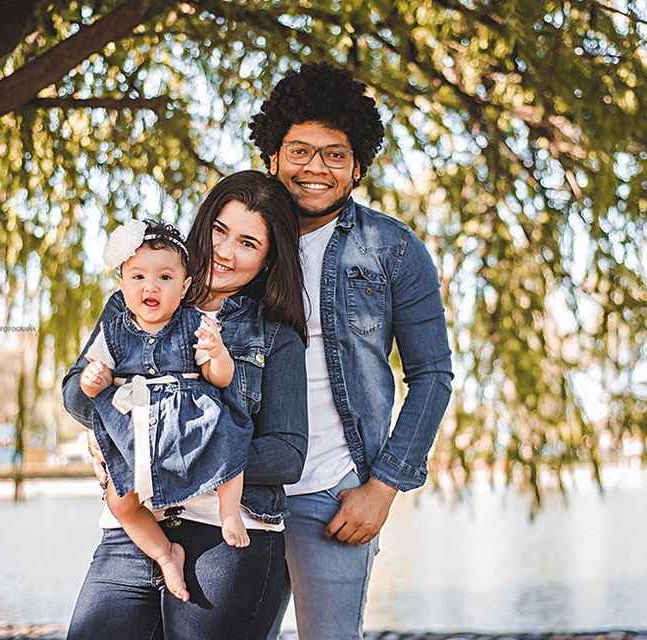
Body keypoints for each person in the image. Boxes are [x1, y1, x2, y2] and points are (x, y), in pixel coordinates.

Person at [249, 63, 454, 638]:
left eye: (335, 154)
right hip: (238, 489)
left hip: (334, 496)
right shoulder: (238, 240)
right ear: (273, 156)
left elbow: (432, 375)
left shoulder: (392, 250)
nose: (315, 168)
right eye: (300, 151)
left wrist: (383, 488)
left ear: (358, 166)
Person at [63, 170, 308, 639]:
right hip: (134, 529)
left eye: (248, 243)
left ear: (268, 260)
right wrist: (101, 420)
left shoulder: (275, 337)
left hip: (230, 532)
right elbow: (76, 398)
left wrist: (171, 456)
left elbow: (287, 455)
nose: (225, 251)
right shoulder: (132, 302)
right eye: (219, 230)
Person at [79, 220, 254, 603]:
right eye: (138, 276)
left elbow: (220, 379)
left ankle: (229, 511)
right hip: (136, 428)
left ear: (185, 285)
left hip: (190, 416)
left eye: (164, 276)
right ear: (122, 283)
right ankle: (164, 553)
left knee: (227, 443)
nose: (150, 286)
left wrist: (218, 353)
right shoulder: (113, 331)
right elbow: (88, 384)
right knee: (118, 499)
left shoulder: (197, 324)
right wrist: (94, 380)